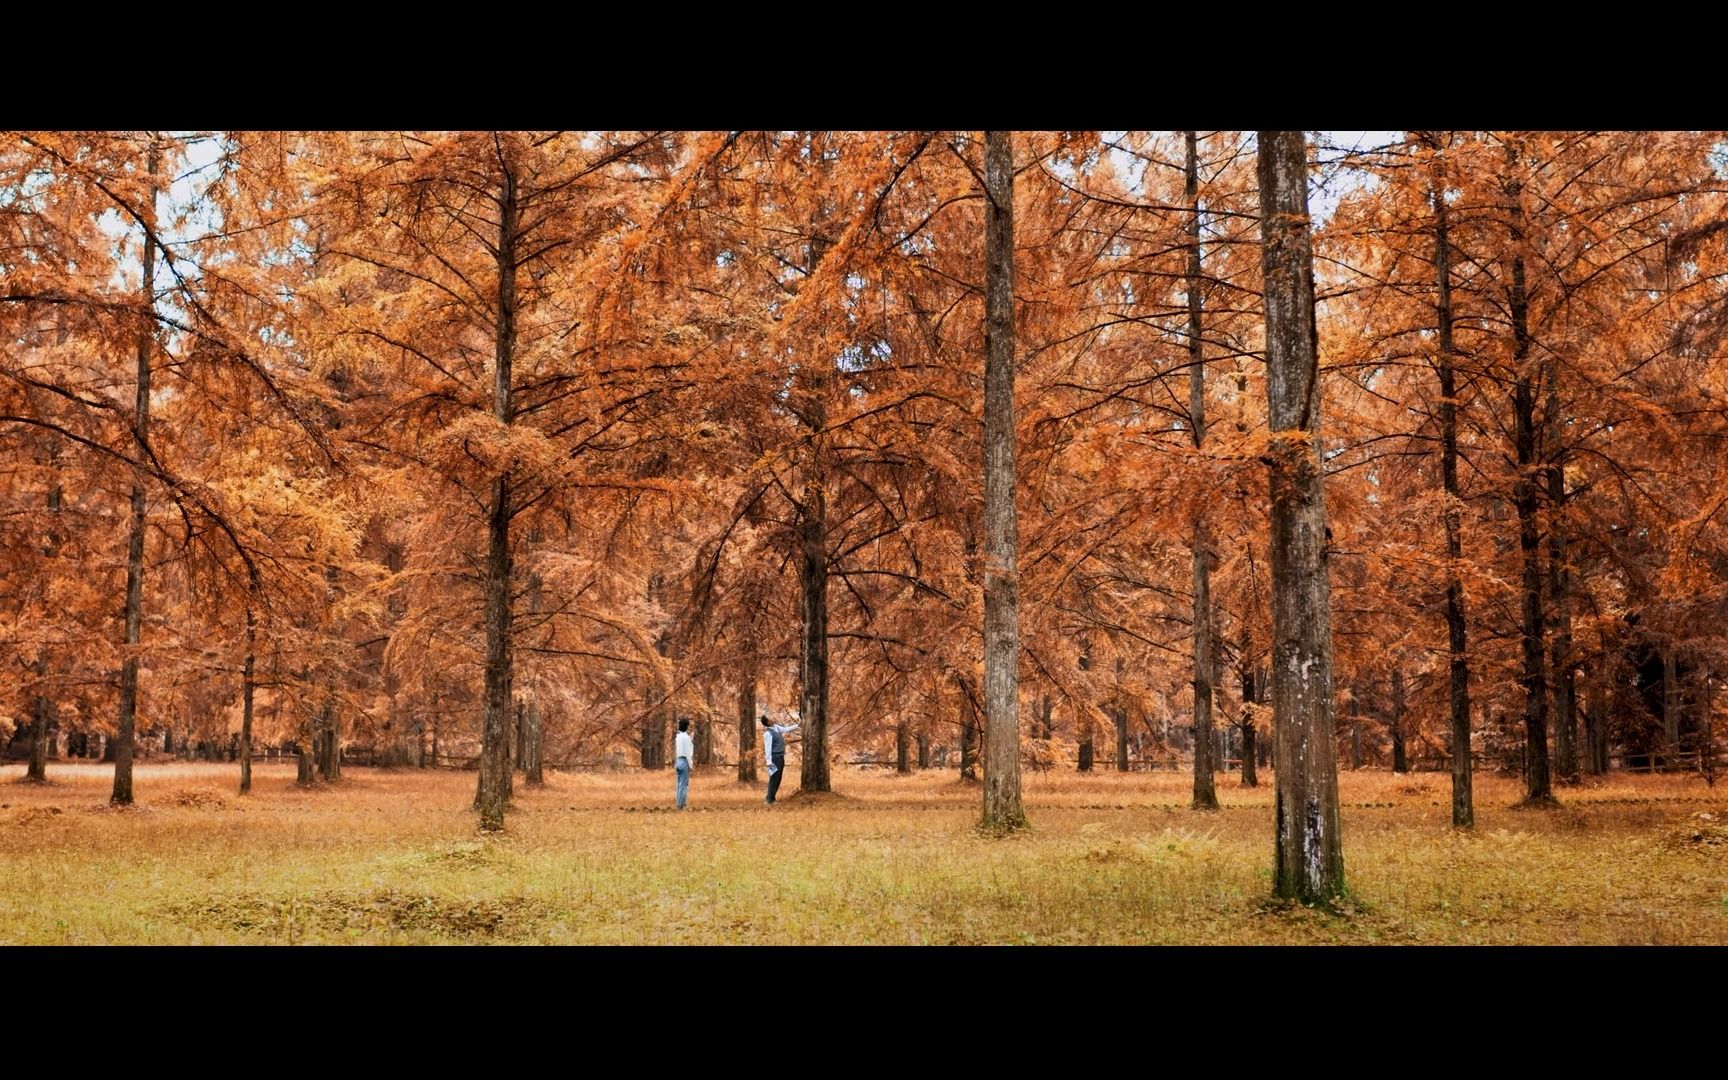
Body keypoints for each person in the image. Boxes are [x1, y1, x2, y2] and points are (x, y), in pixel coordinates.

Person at [760, 714, 799, 805]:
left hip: (780, 757)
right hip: (774, 758)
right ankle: (769, 800)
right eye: (770, 718)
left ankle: (771, 798)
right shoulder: (768, 734)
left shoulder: (776, 728)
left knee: (778, 778)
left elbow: (786, 729)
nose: (773, 718)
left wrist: (798, 726)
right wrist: (769, 761)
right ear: (768, 722)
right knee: (774, 778)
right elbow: (768, 748)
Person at [674, 717, 694, 809]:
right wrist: (690, 765)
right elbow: (688, 753)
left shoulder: (677, 737)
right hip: (684, 761)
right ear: (687, 726)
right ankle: (681, 805)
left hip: (678, 761)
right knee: (684, 784)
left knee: (679, 784)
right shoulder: (687, 738)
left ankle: (679, 802)